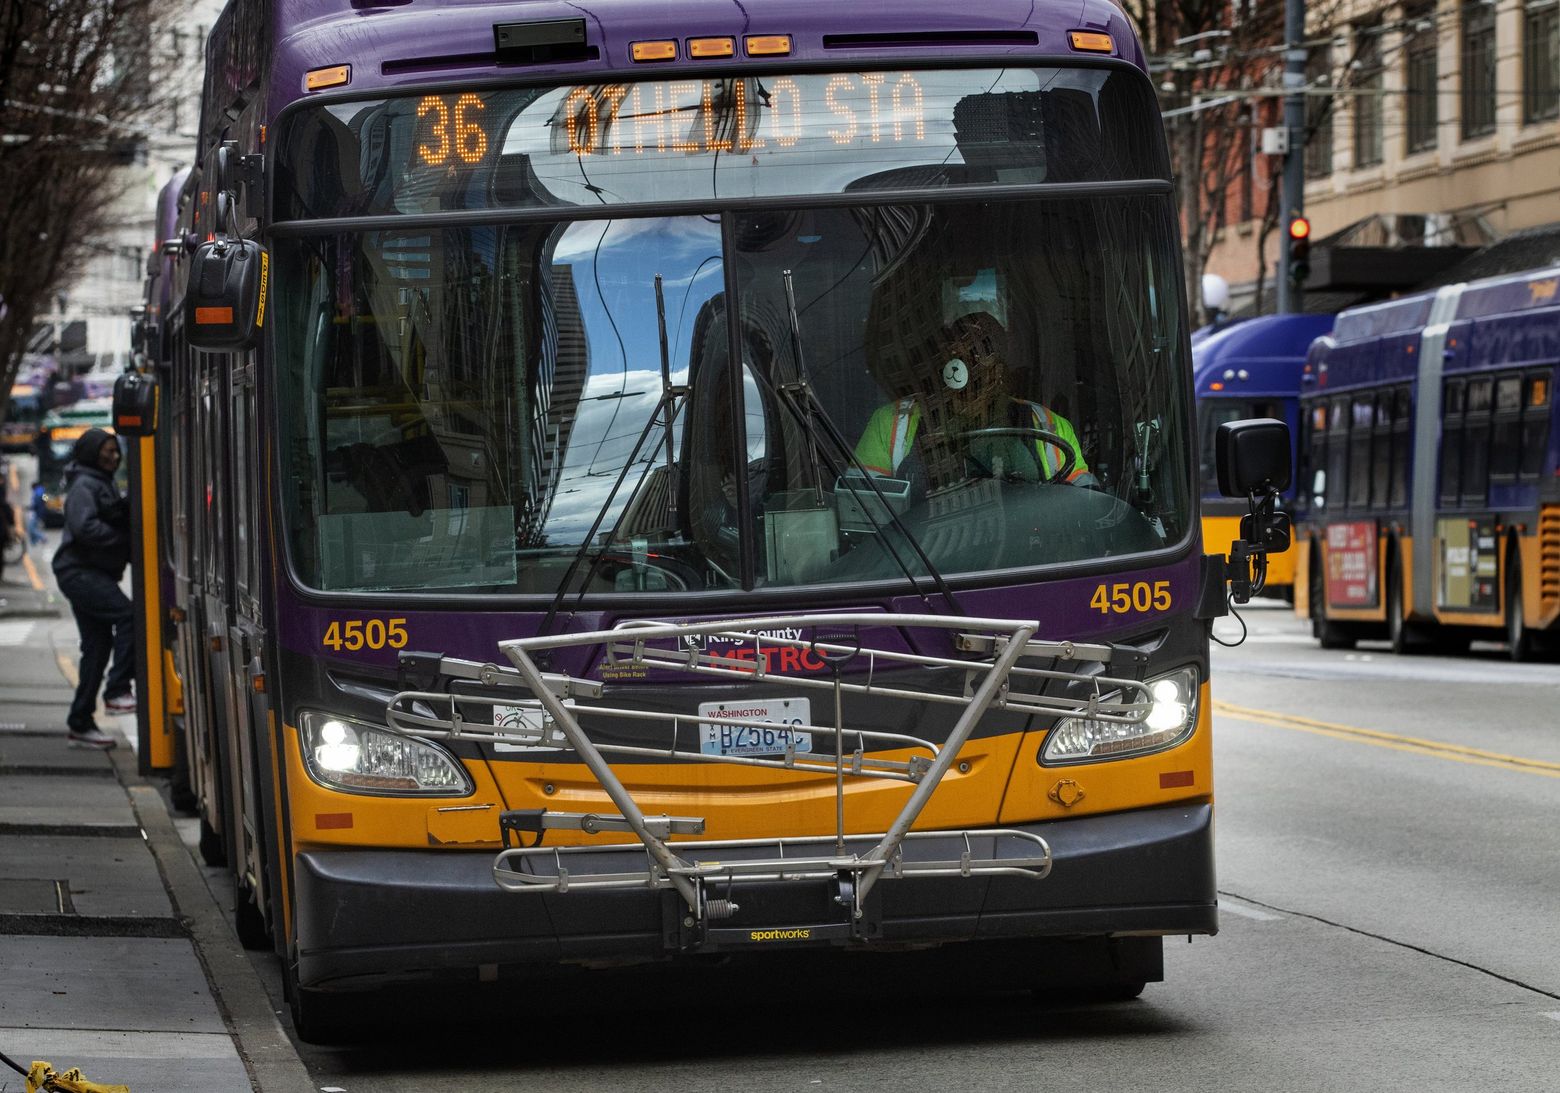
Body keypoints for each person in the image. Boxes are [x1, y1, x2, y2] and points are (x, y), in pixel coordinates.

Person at [853, 311, 1093, 488]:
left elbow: (1085, 503)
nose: (965, 373)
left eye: (976, 358)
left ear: (998, 373)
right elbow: (864, 512)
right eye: (955, 356)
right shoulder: (892, 424)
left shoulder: (1049, 426)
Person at [51, 428, 135, 749]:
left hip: (88, 572)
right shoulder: (85, 485)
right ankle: (116, 692)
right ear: (91, 454)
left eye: (116, 451)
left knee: (97, 648)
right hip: (80, 572)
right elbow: (85, 526)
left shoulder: (99, 481)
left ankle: (80, 722)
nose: (114, 457)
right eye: (107, 452)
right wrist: (123, 539)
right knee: (128, 616)